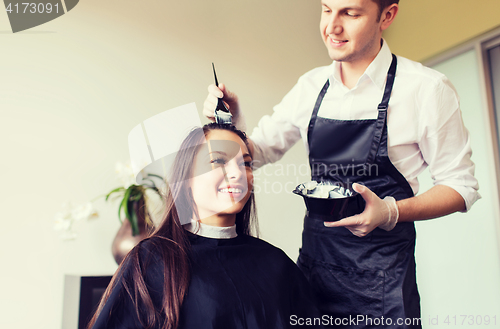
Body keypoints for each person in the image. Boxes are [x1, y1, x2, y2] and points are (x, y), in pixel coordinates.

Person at [203, 0, 480, 328]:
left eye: (350, 13)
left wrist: (391, 212)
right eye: (326, 9)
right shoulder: (311, 87)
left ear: (387, 15)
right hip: (314, 277)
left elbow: (462, 188)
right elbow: (257, 151)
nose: (332, 27)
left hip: (384, 287)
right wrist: (231, 122)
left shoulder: (426, 89)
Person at [88, 123, 323, 329]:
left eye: (246, 163)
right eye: (218, 161)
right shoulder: (151, 260)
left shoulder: (276, 263)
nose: (237, 173)